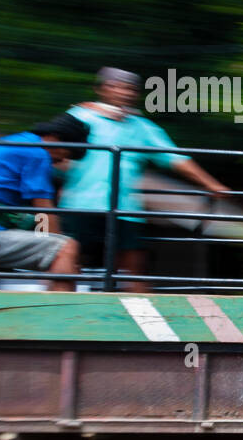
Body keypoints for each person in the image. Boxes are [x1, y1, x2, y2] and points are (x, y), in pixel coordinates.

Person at [58, 67, 229, 292]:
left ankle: (143, 319)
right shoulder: (79, 117)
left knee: (133, 266)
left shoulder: (143, 127)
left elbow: (174, 158)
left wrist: (210, 183)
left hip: (124, 208)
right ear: (100, 89)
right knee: (67, 263)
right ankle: (63, 315)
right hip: (79, 204)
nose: (124, 93)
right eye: (116, 86)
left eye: (130, 88)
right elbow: (51, 147)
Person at [0, 114, 91, 291]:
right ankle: (63, 315)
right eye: (68, 153)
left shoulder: (12, 142)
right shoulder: (37, 153)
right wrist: (56, 254)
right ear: (56, 138)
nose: (64, 161)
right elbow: (43, 209)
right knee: (65, 247)